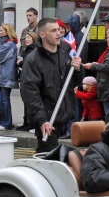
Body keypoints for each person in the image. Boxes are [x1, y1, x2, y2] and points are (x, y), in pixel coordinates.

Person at [20, 17, 82, 153]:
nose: (58, 33)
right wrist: (42, 120)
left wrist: (77, 70)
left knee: (51, 157)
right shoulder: (33, 60)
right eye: (53, 31)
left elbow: (72, 84)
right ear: (42, 34)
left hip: (63, 115)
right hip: (47, 119)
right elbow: (30, 93)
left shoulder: (64, 54)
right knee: (49, 158)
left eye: (59, 30)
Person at [0, 23, 19, 130]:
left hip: (6, 76)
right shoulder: (1, 43)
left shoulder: (10, 44)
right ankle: (0, 121)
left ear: (7, 32)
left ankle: (6, 123)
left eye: (1, 30)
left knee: (4, 100)